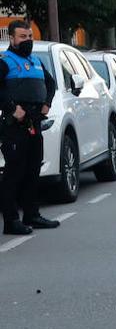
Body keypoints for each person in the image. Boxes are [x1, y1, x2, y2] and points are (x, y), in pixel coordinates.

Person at [0, 19, 60, 236]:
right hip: (15, 125)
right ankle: (11, 221)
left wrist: (47, 103)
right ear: (12, 38)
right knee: (14, 173)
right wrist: (11, 108)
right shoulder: (5, 61)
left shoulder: (35, 61)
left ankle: (32, 214)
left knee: (33, 170)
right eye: (22, 37)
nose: (27, 40)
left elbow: (50, 84)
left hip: (34, 122)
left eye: (30, 37)